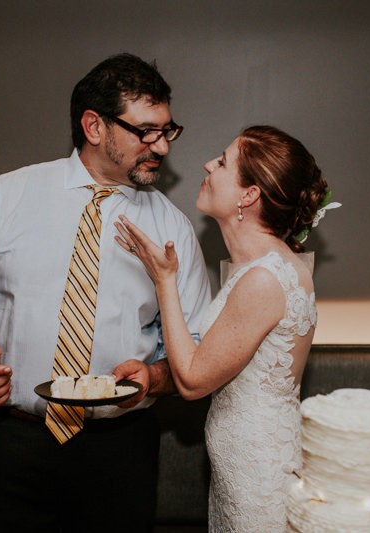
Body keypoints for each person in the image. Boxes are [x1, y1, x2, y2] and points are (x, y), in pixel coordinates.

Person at [0, 53, 212, 532]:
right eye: (145, 131)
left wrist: (154, 377)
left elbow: (196, 341)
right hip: (9, 441)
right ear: (94, 126)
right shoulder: (4, 196)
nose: (160, 146)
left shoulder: (171, 228)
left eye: (167, 130)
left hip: (121, 450)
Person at [115, 125, 338, 531]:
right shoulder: (262, 269)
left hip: (258, 475)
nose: (207, 165)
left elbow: (193, 381)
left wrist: (165, 280)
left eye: (221, 162)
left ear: (248, 195)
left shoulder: (264, 279)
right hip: (243, 466)